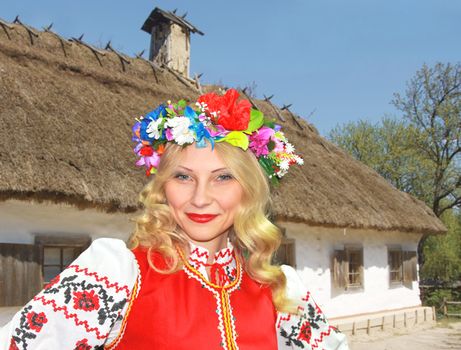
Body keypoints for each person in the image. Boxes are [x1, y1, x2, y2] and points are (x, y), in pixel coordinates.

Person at [0, 89, 349, 349]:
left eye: (223, 177)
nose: (200, 198)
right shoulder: (118, 274)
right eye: (183, 177)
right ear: (163, 186)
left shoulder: (280, 290)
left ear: (248, 190)